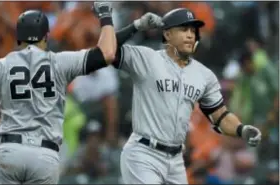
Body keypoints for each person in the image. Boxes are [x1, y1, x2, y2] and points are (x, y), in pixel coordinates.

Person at [0, 2, 117, 184]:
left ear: (17, 38)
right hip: (45, 155)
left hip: (10, 150)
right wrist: (106, 16)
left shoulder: (0, 65)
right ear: (46, 37)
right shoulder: (61, 62)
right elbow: (107, 53)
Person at [108, 8, 262, 184]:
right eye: (183, 29)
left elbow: (220, 116)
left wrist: (241, 129)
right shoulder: (147, 59)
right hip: (145, 152)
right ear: (167, 34)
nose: (190, 35)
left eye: (192, 30)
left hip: (176, 159)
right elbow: (108, 50)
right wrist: (135, 26)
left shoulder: (204, 75)